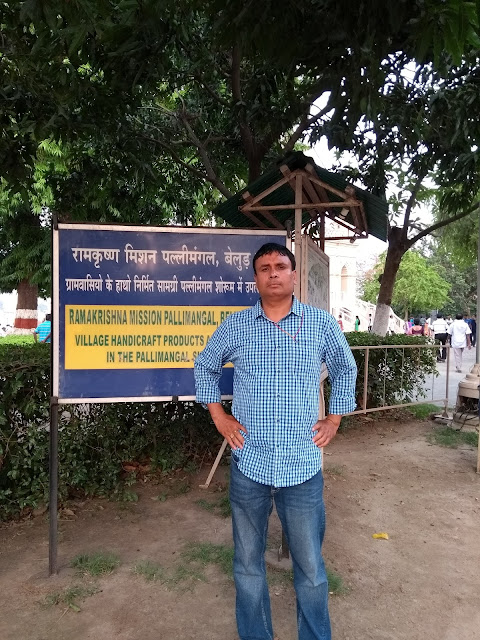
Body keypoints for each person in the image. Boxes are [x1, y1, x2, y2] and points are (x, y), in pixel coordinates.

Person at [194, 243, 357, 640]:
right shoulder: (236, 325)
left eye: (280, 266)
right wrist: (219, 416)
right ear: (255, 278)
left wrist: (334, 418)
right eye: (264, 268)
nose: (272, 273)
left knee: (311, 568)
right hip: (249, 461)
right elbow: (205, 365)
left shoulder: (319, 324)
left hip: (302, 465)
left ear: (294, 275)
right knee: (248, 563)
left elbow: (344, 367)